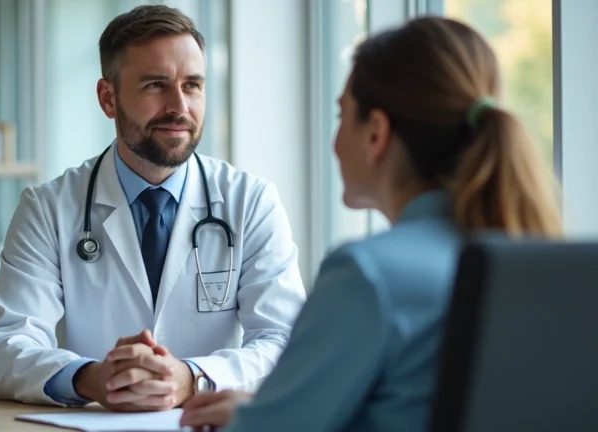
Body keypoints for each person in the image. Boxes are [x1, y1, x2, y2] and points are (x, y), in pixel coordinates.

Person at [179, 15, 562, 431]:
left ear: (376, 133)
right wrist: (262, 406)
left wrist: (254, 416)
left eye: (341, 115)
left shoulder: (368, 274)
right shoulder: (532, 258)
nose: (336, 141)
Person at [0, 4, 306, 411]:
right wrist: (89, 378)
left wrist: (192, 378)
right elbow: (2, 349)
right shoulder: (48, 208)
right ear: (108, 98)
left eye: (193, 85)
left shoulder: (250, 203)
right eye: (155, 85)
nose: (179, 107)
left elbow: (286, 343)